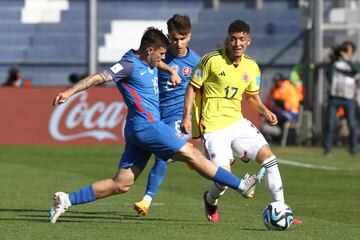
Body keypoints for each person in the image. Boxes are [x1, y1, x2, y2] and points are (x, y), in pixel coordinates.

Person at [49, 27, 261, 224]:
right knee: (192, 155)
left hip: (137, 129)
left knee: (121, 184)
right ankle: (242, 186)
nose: (162, 58)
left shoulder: (147, 60)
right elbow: (99, 77)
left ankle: (66, 200)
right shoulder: (128, 64)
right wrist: (69, 92)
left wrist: (171, 70)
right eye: (160, 54)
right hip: (147, 125)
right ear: (149, 50)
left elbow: (158, 63)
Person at [181, 20, 286, 223]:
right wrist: (186, 116)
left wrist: (266, 111)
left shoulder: (252, 67)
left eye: (241, 39)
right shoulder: (210, 60)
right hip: (212, 126)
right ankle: (210, 200)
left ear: (248, 41)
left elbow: (252, 97)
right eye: (233, 39)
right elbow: (192, 88)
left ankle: (280, 208)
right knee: (223, 178)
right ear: (228, 39)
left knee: (270, 160)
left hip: (237, 122)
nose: (237, 43)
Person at [133, 14, 201, 216]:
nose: (178, 43)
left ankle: (146, 200)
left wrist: (191, 119)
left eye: (182, 38)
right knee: (153, 154)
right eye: (173, 38)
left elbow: (199, 91)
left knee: (162, 156)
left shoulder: (197, 62)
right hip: (154, 113)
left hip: (176, 115)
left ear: (189, 36)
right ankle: (189, 155)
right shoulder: (160, 55)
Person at [324, 41, 359, 156]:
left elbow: (356, 70)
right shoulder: (335, 63)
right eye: (343, 49)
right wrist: (334, 57)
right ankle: (327, 150)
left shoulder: (354, 63)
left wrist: (347, 59)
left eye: (347, 50)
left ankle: (353, 149)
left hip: (349, 98)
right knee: (330, 124)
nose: (344, 52)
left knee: (352, 125)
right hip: (335, 97)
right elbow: (328, 73)